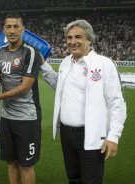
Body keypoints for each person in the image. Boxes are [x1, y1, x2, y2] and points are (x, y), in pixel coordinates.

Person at [41, 19, 127, 184]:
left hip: (91, 134)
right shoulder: (66, 62)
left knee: (91, 181)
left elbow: (117, 103)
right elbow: (60, 87)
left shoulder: (104, 64)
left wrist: (114, 136)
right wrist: (43, 65)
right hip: (66, 134)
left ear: (89, 39)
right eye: (69, 38)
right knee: (74, 179)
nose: (72, 42)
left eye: (78, 37)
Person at [0, 13, 42, 184]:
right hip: (7, 117)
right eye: (8, 27)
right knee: (11, 162)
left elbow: (25, 87)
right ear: (4, 30)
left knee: (26, 165)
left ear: (23, 29)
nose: (12, 30)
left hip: (26, 118)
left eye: (16, 26)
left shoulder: (30, 52)